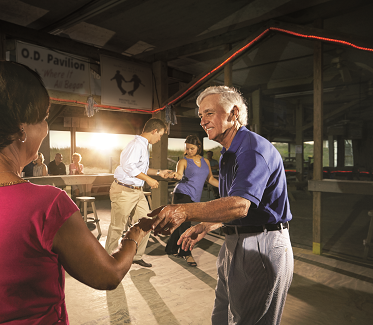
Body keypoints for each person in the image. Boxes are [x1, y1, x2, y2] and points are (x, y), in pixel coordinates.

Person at [0, 58, 157, 325]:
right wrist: (135, 233)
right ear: (22, 128)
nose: (46, 128)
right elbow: (109, 274)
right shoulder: (47, 206)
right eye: (44, 119)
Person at [149, 86, 294, 324]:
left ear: (234, 112)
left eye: (208, 113)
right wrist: (207, 224)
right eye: (200, 116)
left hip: (260, 244)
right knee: (222, 316)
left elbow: (239, 206)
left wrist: (184, 210)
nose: (203, 121)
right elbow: (233, 206)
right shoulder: (229, 153)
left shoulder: (252, 150)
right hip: (236, 240)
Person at [104, 118, 174, 268]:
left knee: (147, 223)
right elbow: (128, 166)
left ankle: (136, 256)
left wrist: (159, 172)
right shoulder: (136, 145)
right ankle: (107, 260)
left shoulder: (143, 145)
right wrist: (148, 180)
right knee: (117, 227)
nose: (159, 138)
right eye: (160, 135)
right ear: (154, 131)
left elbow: (139, 168)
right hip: (124, 190)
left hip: (137, 192)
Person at [165, 135, 218, 267]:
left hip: (195, 196)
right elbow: (179, 175)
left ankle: (170, 248)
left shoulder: (205, 162)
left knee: (181, 224)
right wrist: (175, 175)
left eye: (192, 148)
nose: (189, 151)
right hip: (182, 194)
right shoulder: (183, 162)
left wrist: (226, 185)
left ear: (198, 147)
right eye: (187, 148)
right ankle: (185, 253)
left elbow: (210, 179)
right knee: (186, 225)